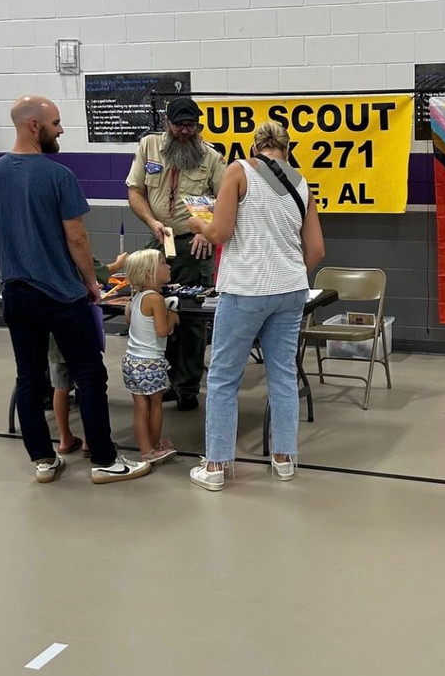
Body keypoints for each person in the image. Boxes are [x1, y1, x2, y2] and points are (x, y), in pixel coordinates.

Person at [0, 95, 150, 484]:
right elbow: (77, 239)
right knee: (89, 376)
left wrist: (15, 265)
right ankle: (105, 460)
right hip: (62, 295)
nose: (61, 129)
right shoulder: (58, 176)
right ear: (34, 125)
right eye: (55, 123)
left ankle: (43, 460)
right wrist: (91, 282)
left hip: (16, 293)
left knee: (28, 377)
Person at [186, 120, 325, 491]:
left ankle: (215, 466)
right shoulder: (302, 183)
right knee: (283, 375)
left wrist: (198, 226)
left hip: (245, 289)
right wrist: (289, 274)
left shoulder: (238, 171)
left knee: (223, 378)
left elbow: (220, 232)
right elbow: (316, 250)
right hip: (292, 290)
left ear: (254, 148)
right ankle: (284, 460)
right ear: (287, 149)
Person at [125, 97, 226, 412]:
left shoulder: (211, 157)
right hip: (159, 241)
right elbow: (135, 191)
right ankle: (164, 380)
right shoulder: (149, 147)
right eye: (179, 125)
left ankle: (187, 387)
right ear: (167, 123)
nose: (184, 131)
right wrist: (151, 222)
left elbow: (226, 201)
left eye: (190, 125)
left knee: (192, 319)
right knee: (156, 309)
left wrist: (206, 230)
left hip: (195, 244)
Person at [51, 252, 126, 456]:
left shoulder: (45, 254)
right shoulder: (74, 249)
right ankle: (91, 441)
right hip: (77, 323)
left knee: (60, 387)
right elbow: (99, 271)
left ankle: (65, 439)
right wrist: (119, 263)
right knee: (88, 385)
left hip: (53, 329)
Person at [121, 249, 179, 466]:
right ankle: (153, 447)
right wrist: (173, 317)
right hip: (150, 363)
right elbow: (162, 331)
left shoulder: (136, 297)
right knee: (155, 405)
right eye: (163, 263)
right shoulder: (156, 299)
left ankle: (146, 449)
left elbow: (130, 322)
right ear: (148, 273)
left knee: (140, 408)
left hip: (131, 361)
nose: (168, 266)